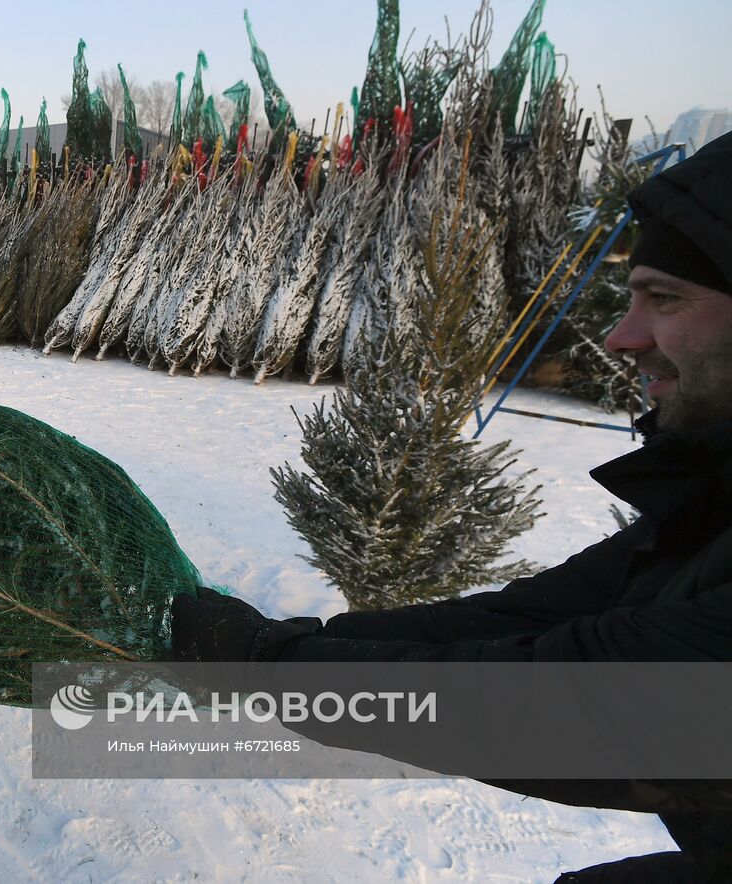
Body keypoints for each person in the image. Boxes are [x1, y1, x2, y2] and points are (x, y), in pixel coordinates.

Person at [171, 130, 732, 882]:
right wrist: (288, 644)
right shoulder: (713, 505)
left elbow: (569, 704)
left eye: (664, 298)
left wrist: (265, 667)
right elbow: (532, 616)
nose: (619, 335)